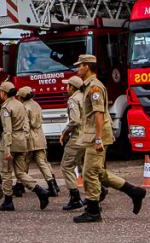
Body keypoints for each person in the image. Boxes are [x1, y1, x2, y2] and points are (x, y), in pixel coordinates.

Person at [73, 54, 146, 223]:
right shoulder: (89, 86)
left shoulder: (94, 88)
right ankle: (134, 192)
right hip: (93, 134)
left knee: (89, 172)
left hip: (96, 136)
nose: (78, 69)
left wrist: (98, 139)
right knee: (99, 172)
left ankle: (93, 211)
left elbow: (99, 114)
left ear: (86, 67)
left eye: (80, 66)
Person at [0, 81, 49, 212]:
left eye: (0, 92)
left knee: (6, 172)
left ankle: (8, 201)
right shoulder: (20, 105)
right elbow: (26, 124)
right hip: (21, 141)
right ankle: (39, 190)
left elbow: (7, 129)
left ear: (4, 93)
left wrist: (7, 148)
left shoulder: (6, 107)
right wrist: (25, 138)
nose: (0, 94)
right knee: (20, 172)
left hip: (10, 141)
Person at [19, 86, 58, 196]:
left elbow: (26, 125)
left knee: (24, 162)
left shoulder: (24, 107)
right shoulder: (37, 104)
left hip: (30, 137)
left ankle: (20, 185)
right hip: (40, 136)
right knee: (43, 162)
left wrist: (24, 139)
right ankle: (52, 185)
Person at [59, 76, 86, 211]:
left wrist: (65, 131)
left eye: (67, 86)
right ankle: (100, 190)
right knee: (86, 166)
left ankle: (75, 198)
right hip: (88, 136)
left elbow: (75, 120)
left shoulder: (73, 99)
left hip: (78, 137)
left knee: (66, 166)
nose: (66, 88)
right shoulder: (85, 96)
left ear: (72, 87)